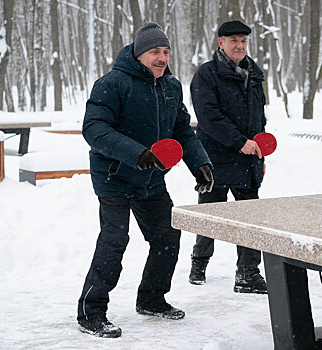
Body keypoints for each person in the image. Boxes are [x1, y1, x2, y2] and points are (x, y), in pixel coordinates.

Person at [77, 22, 214, 338]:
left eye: (165, 51)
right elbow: (94, 129)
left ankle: (152, 299)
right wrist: (135, 153)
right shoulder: (112, 84)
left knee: (167, 236)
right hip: (114, 176)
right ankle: (91, 312)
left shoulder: (170, 86)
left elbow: (181, 129)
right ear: (139, 54)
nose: (162, 58)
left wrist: (200, 163)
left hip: (151, 178)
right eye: (155, 51)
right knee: (115, 241)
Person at [188, 20, 268, 294]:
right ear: (220, 43)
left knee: (250, 219)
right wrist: (239, 142)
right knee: (210, 216)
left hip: (248, 160)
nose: (239, 45)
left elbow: (260, 118)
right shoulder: (207, 74)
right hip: (214, 160)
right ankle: (199, 263)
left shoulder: (254, 73)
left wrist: (260, 152)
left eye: (243, 40)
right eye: (233, 40)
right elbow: (208, 118)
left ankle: (248, 274)